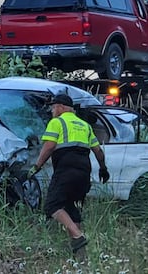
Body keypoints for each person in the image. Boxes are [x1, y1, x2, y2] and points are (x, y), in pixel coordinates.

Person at [27, 93, 109, 255]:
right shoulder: (85, 125)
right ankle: (80, 255)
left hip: (66, 168)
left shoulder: (57, 122)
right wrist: (103, 169)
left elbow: (49, 146)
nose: (51, 110)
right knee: (72, 209)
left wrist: (36, 166)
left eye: (53, 107)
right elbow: (98, 151)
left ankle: (78, 236)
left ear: (61, 107)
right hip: (84, 171)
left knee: (52, 205)